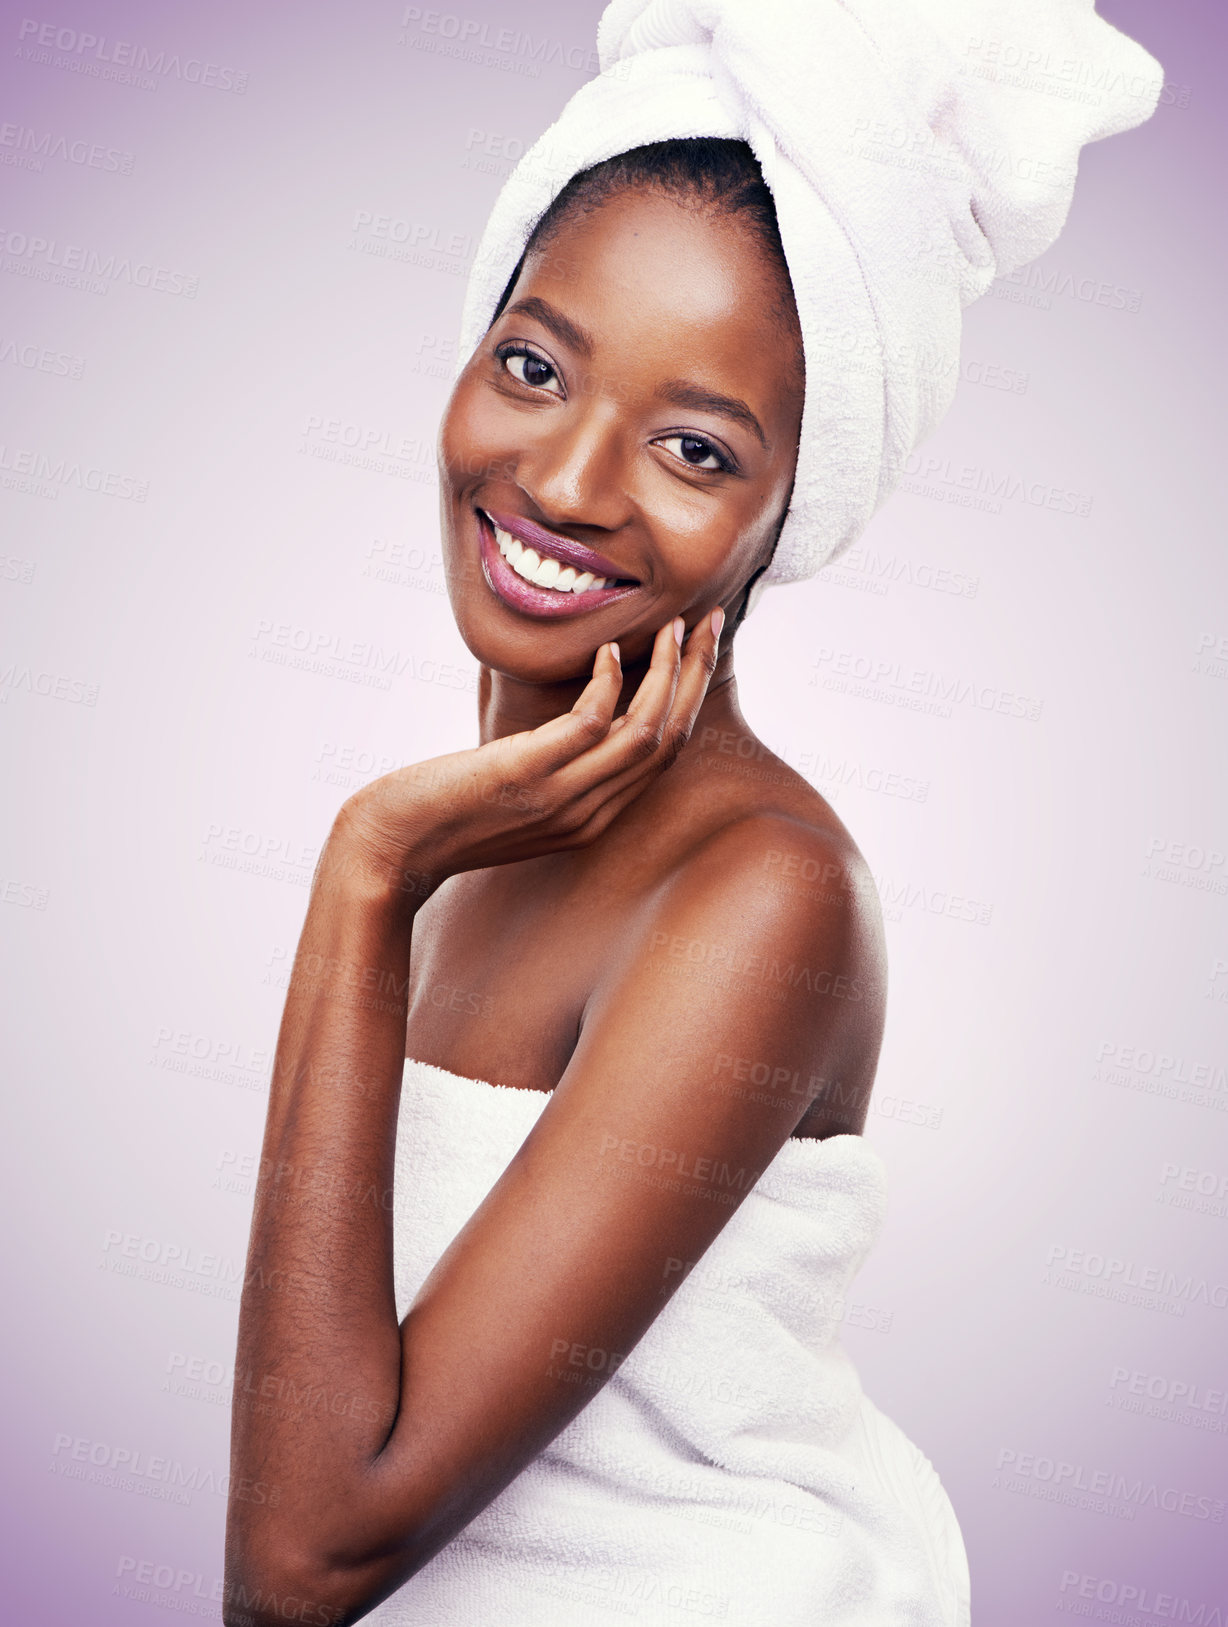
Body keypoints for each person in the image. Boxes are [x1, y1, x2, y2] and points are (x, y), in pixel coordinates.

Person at [224, 5, 1161, 1624]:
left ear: (795, 504)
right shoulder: (479, 833)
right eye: (532, 364)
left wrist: (359, 871)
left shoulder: (758, 894)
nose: (573, 480)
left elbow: (303, 1561)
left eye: (693, 446)